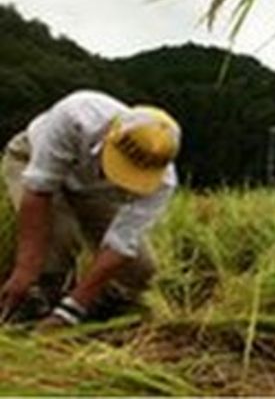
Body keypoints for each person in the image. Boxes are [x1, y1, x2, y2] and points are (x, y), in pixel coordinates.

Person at [0, 89, 180, 329]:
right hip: (33, 158)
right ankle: (33, 301)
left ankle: (86, 307)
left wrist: (73, 308)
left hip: (94, 190)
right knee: (59, 238)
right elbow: (38, 192)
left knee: (139, 269)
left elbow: (121, 243)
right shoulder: (76, 115)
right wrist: (25, 270)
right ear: (109, 137)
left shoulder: (162, 181)